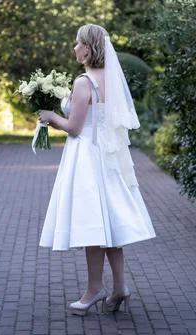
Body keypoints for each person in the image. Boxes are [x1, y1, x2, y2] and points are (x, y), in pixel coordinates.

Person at [38, 24, 156, 316]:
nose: (74, 48)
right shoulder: (110, 78)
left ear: (89, 48)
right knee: (109, 226)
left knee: (93, 227)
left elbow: (75, 128)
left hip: (86, 160)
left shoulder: (83, 82)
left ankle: (93, 290)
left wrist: (51, 116)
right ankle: (120, 286)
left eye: (78, 43)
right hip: (109, 159)